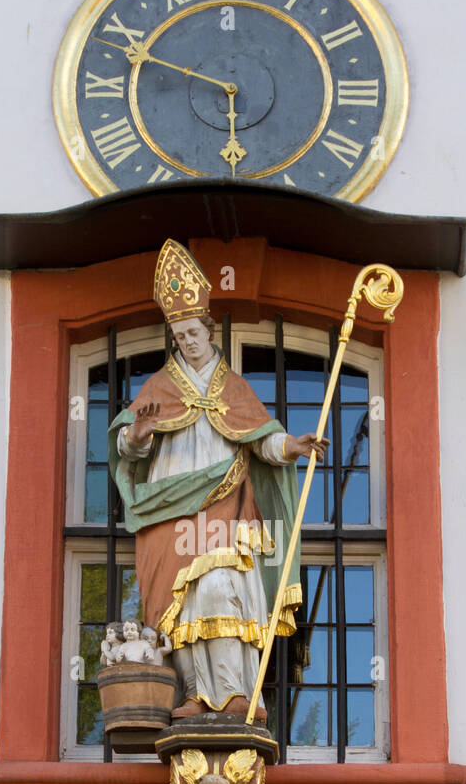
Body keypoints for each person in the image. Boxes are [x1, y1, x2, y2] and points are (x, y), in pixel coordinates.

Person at [109, 239, 327, 721]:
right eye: (179, 333)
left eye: (193, 331)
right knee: (177, 600)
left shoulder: (233, 387)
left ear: (208, 331)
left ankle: (235, 693)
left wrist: (291, 446)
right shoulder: (161, 386)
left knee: (222, 584)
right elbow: (128, 447)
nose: (187, 340)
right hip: (168, 506)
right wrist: (139, 432)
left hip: (226, 505)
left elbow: (261, 439)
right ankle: (193, 694)